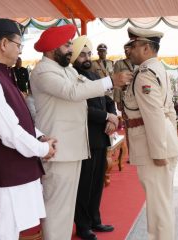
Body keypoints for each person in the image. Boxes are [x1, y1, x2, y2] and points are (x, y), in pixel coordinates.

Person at [30, 25, 132, 240]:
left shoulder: (67, 69)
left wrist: (109, 101)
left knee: (66, 209)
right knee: (56, 207)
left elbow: (88, 86)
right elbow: (73, 92)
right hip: (57, 149)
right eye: (67, 45)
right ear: (51, 49)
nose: (71, 49)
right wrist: (111, 80)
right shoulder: (43, 71)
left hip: (73, 148)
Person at [0, 18, 56, 240]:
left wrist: (40, 137)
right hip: (2, 176)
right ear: (4, 44)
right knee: (2, 235)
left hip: (11, 174)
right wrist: (42, 150)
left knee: (8, 234)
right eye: (19, 45)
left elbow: (18, 118)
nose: (19, 50)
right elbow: (7, 131)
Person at [122, 27, 178, 240]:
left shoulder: (144, 75)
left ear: (146, 47)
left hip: (153, 147)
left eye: (134, 45)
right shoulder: (158, 69)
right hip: (163, 141)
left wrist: (159, 152)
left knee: (159, 207)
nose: (130, 50)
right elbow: (170, 111)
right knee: (162, 202)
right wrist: (170, 142)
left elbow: (154, 114)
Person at [71, 35, 117, 240]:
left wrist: (112, 118)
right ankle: (82, 226)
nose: (87, 57)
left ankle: (95, 220)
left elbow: (108, 98)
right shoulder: (71, 77)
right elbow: (81, 109)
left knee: (97, 182)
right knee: (84, 184)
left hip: (101, 136)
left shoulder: (94, 75)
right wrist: (106, 116)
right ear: (73, 55)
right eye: (82, 54)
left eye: (89, 53)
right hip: (84, 138)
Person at [113, 43, 137, 111]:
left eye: (128, 50)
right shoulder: (119, 63)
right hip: (124, 96)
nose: (126, 51)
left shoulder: (139, 62)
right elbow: (117, 83)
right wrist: (118, 100)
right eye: (125, 50)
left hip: (137, 96)